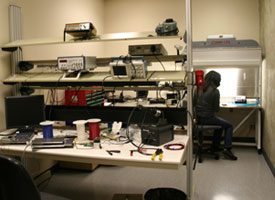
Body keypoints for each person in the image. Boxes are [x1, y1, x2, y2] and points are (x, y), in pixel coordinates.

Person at [194, 70, 237, 160]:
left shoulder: (198, 88)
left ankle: (215, 146)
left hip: (198, 119)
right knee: (229, 126)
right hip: (208, 119)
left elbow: (194, 104)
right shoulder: (215, 91)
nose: (220, 82)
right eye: (219, 80)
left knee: (220, 125)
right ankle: (227, 149)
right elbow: (216, 109)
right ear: (215, 80)